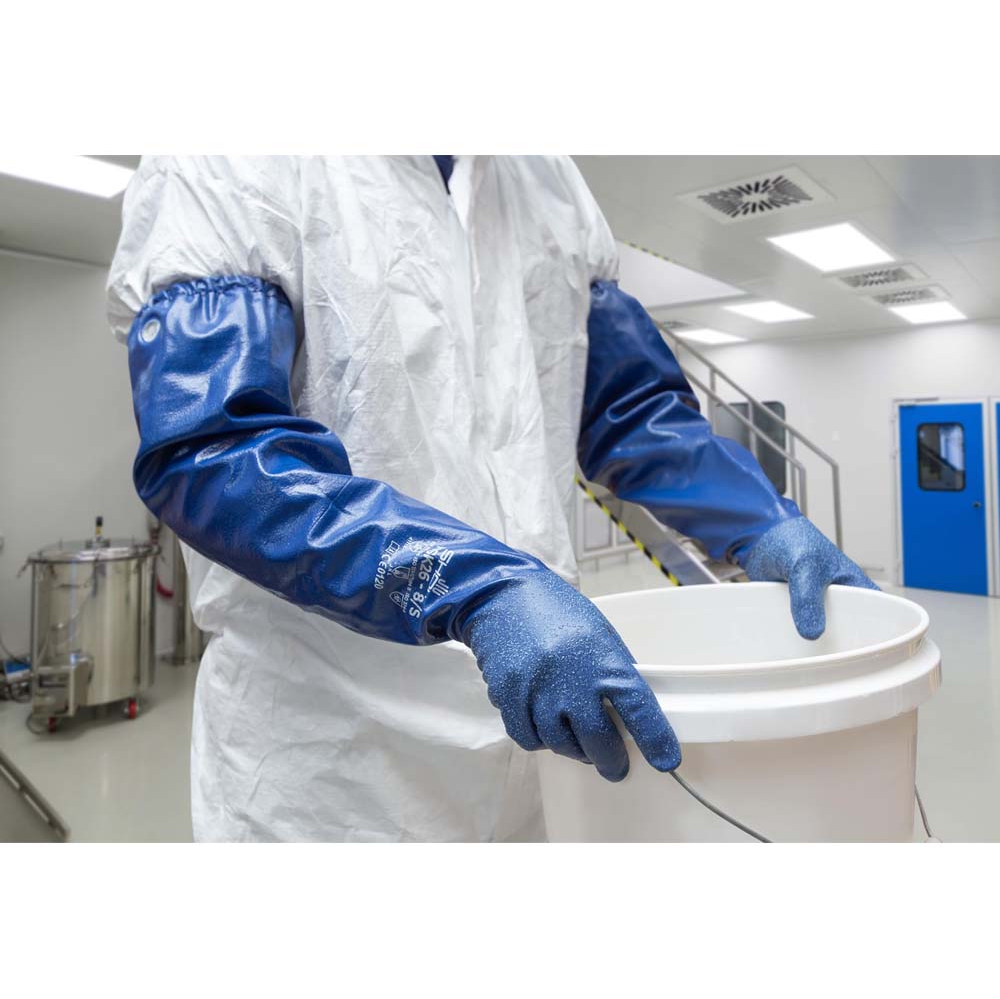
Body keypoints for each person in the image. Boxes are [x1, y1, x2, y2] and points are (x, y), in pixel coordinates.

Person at [108, 156, 875, 842]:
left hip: (544, 749)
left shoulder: (550, 181)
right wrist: (475, 587)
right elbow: (218, 454)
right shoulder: (227, 163)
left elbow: (628, 409)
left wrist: (760, 520)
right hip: (336, 775)